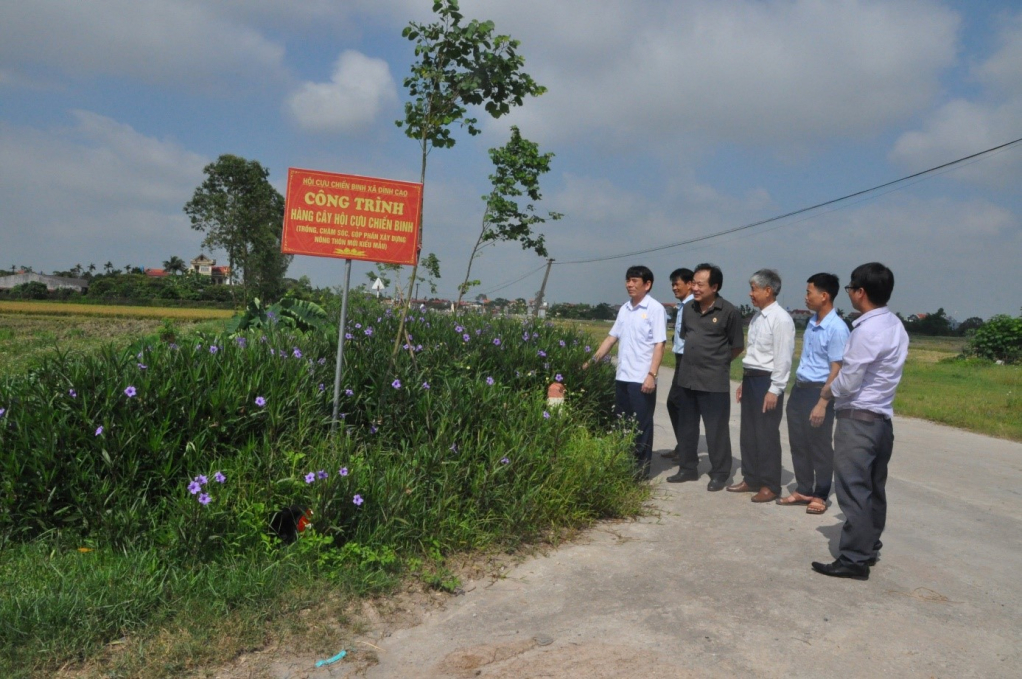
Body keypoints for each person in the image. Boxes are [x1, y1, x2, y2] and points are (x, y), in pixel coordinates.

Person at [811, 263, 908, 581]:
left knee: (853, 489)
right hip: (881, 420)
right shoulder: (895, 325)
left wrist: (828, 391)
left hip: (858, 421)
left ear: (861, 292)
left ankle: (853, 559)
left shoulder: (866, 330)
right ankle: (869, 545)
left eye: (851, 289)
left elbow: (849, 382)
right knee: (873, 488)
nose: (850, 294)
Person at [666, 263, 744, 491]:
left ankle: (720, 473)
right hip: (687, 378)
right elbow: (685, 337)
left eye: (700, 284)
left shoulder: (729, 312)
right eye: (693, 283)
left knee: (716, 430)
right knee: (687, 427)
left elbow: (737, 347)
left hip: (713, 381)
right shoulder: (688, 309)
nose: (695, 288)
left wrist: (717, 361)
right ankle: (688, 468)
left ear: (715, 286)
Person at [777, 273, 850, 515]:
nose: (806, 297)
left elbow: (836, 369)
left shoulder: (837, 328)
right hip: (800, 389)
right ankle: (804, 488)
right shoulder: (812, 322)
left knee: (819, 445)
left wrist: (822, 402)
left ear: (824, 295)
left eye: (809, 292)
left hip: (820, 392)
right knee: (799, 443)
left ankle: (820, 494)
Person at [585, 265, 667, 479]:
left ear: (647, 284)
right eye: (628, 280)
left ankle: (640, 471)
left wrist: (652, 375)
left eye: (634, 281)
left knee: (641, 424)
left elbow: (660, 344)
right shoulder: (625, 309)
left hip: (642, 379)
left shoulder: (655, 309)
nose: (629, 285)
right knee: (622, 422)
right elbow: (611, 338)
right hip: (622, 377)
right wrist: (591, 362)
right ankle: (623, 462)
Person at [727, 269, 795, 503]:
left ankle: (770, 484)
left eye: (754, 288)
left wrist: (775, 389)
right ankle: (751, 477)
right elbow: (755, 354)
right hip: (752, 379)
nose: (750, 293)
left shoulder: (781, 319)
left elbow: (783, 358)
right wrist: (744, 383)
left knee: (766, 434)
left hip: (768, 381)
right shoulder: (757, 317)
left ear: (768, 290)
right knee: (748, 432)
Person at [663, 268, 695, 462]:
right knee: (676, 403)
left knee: (678, 403)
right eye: (673, 284)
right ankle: (682, 445)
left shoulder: (692, 306)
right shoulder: (682, 305)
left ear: (689, 284)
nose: (674, 288)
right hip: (679, 357)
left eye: (677, 284)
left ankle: (686, 448)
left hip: (688, 359)